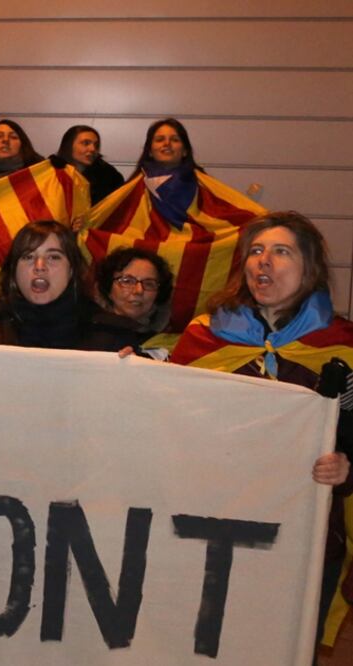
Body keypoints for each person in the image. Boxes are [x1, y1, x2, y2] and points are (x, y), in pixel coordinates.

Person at [169, 211, 352, 651]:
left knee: (289, 644)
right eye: (255, 251)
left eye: (280, 252)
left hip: (306, 532)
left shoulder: (343, 345)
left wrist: (347, 466)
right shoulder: (204, 338)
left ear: (308, 267)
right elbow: (166, 417)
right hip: (214, 523)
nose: (263, 261)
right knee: (208, 640)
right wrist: (130, 369)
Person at [0, 220, 89, 348]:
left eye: (53, 257)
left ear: (71, 269)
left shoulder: (105, 333)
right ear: (14, 270)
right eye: (28, 257)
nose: (40, 266)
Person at [81, 247, 173, 354]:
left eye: (149, 283)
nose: (138, 291)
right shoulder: (84, 332)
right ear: (108, 288)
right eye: (127, 281)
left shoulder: (168, 344)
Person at [54, 125, 125, 205]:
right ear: (69, 146)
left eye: (96, 145)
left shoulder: (110, 177)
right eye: (86, 143)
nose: (92, 149)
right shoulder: (51, 174)